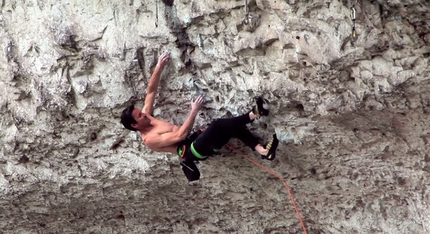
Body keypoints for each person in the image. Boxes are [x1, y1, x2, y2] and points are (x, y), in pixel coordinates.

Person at [120, 51, 279, 181]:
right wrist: (194, 110)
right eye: (140, 116)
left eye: (141, 112)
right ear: (135, 125)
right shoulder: (150, 139)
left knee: (232, 128)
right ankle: (254, 114)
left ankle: (263, 151)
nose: (144, 114)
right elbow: (180, 135)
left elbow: (151, 91)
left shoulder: (147, 117)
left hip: (197, 141)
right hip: (192, 151)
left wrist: (159, 66)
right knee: (218, 125)